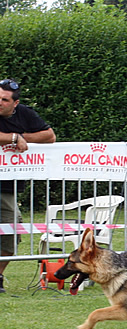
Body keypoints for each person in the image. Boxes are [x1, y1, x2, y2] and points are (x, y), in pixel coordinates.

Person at [0, 78, 56, 293]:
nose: (0, 102)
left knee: (11, 234)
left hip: (8, 187)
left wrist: (21, 137)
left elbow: (49, 136)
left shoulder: (25, 113)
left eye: (5, 100)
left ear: (15, 103)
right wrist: (12, 138)